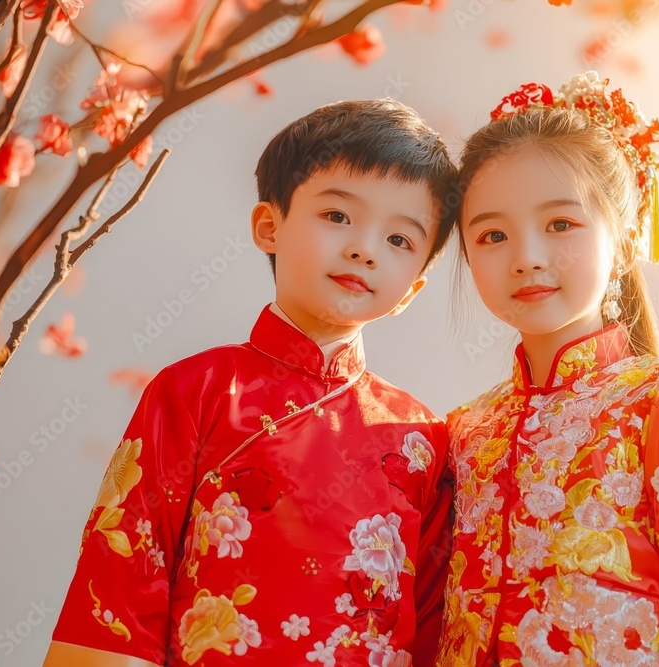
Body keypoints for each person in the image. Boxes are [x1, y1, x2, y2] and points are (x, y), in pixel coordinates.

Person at [44, 98, 458, 667]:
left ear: (412, 288)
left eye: (400, 241)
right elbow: (122, 583)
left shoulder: (423, 439)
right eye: (338, 216)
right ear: (269, 226)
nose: (364, 248)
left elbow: (435, 623)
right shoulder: (196, 390)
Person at [435, 73, 659, 666]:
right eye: (493, 234)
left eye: (560, 224)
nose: (526, 258)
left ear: (627, 239)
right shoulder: (464, 435)